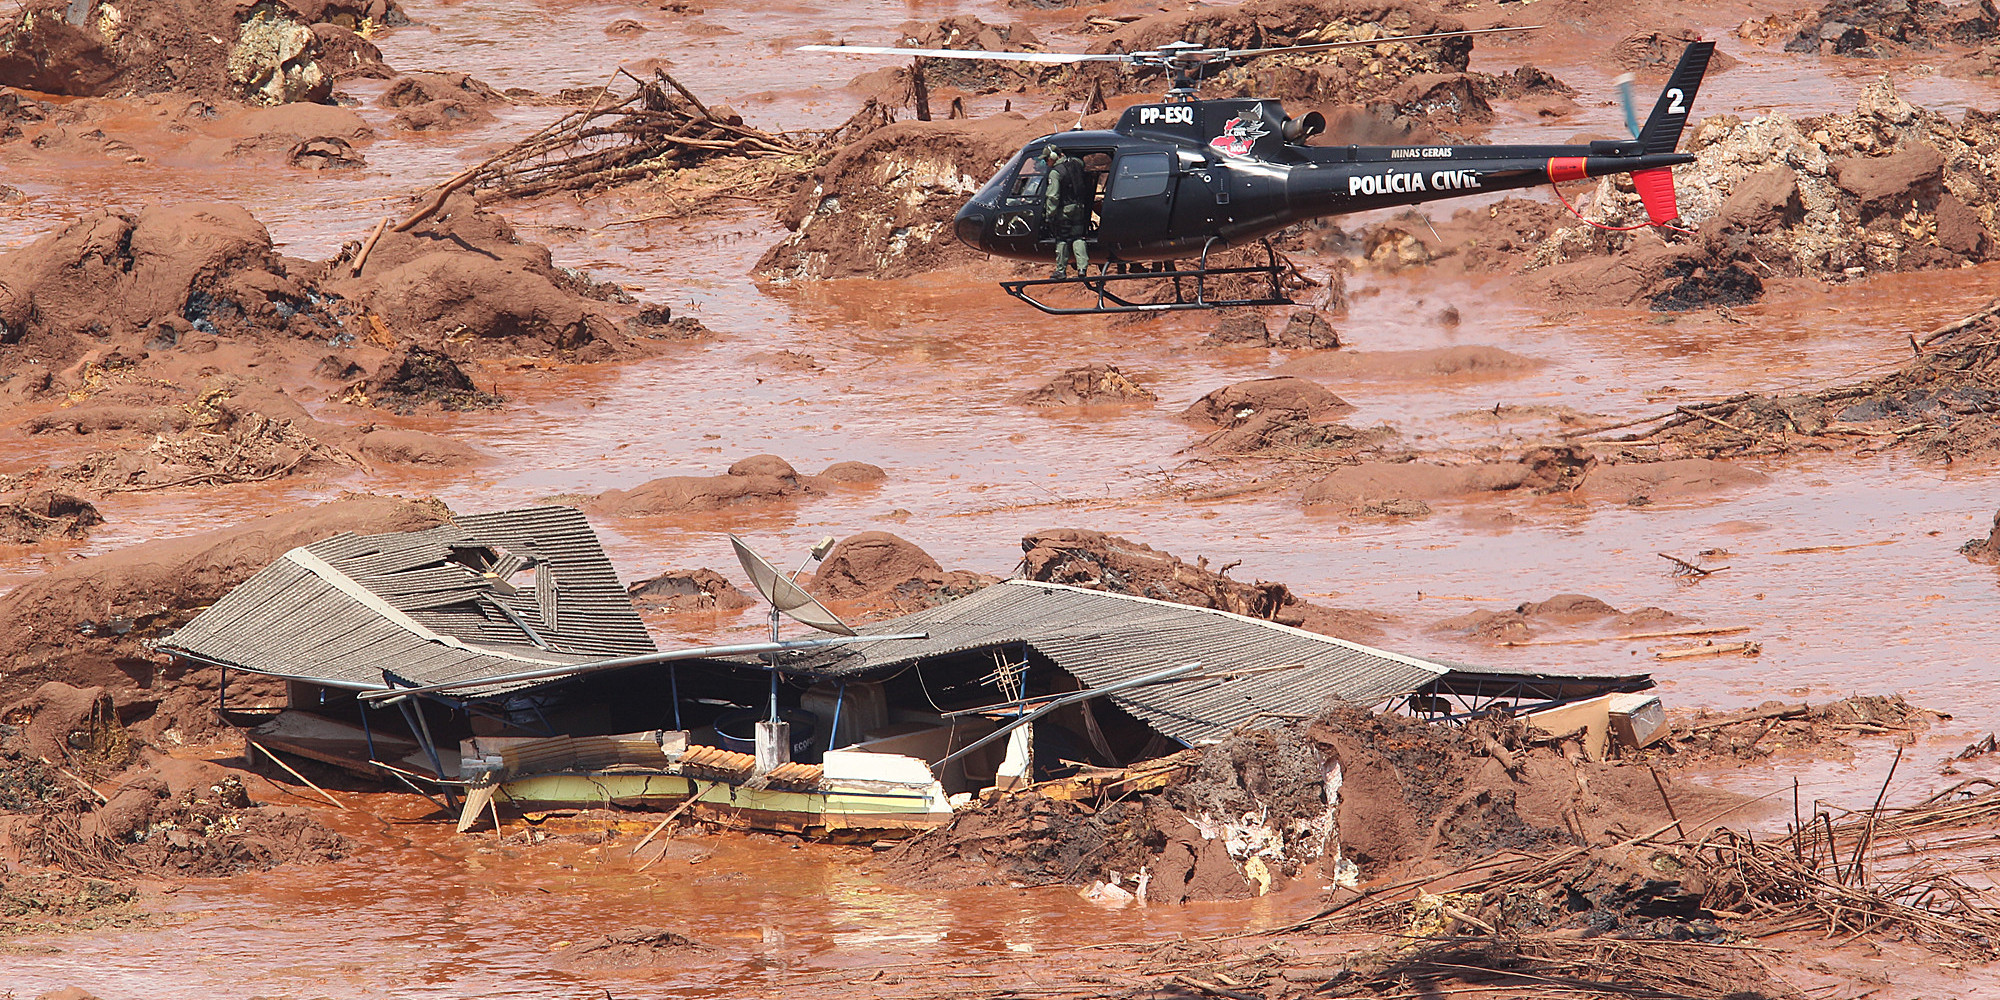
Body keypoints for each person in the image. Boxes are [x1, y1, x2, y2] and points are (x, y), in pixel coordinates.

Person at [1041, 146, 1092, 279]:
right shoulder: (1076, 164)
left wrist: (1049, 215)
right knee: (1078, 237)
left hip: (1065, 210)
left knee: (1062, 238)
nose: (1046, 163)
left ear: (1052, 157)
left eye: (1046, 160)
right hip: (1079, 208)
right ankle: (1082, 268)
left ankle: (1061, 270)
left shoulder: (1056, 173)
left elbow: (1053, 196)